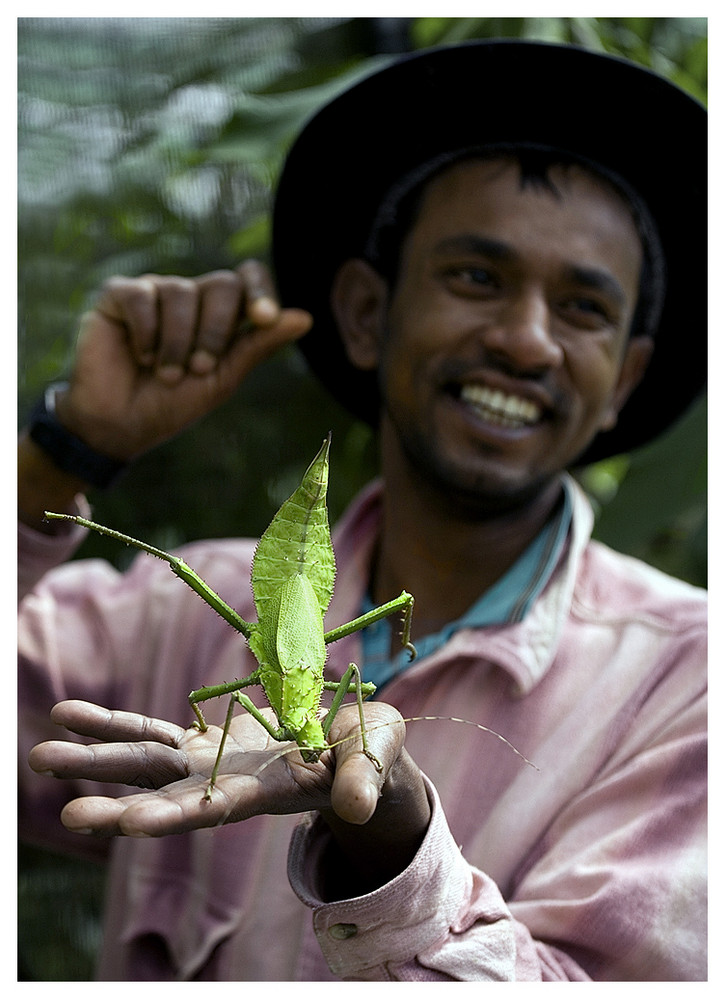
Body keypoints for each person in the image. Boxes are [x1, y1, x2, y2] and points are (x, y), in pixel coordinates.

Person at [19, 39, 707, 981]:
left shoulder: (692, 684)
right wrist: (63, 450)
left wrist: (392, 844)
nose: (523, 339)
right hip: (272, 608)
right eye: (476, 277)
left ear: (626, 375)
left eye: (584, 307)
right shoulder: (184, 612)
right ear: (364, 312)